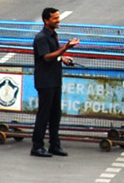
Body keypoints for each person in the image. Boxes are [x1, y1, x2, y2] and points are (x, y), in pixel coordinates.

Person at [31, 8, 77, 158]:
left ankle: (54, 145)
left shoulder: (53, 35)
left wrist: (63, 58)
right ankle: (37, 146)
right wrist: (65, 49)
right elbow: (46, 57)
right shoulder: (41, 38)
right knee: (44, 114)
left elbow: (54, 55)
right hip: (45, 81)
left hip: (55, 80)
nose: (58, 20)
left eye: (58, 18)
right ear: (46, 20)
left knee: (55, 114)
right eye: (55, 18)